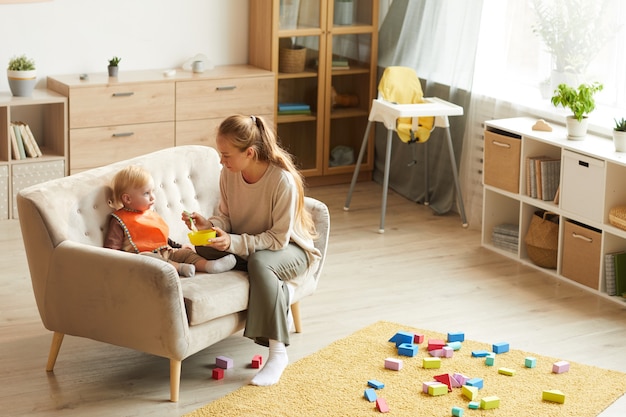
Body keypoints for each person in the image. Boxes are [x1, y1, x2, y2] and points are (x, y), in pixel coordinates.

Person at [182, 114, 321, 386]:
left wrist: (233, 243)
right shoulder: (229, 174)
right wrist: (209, 225)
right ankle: (280, 292)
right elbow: (227, 217)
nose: (221, 161)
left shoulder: (282, 181)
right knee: (203, 243)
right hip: (251, 245)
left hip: (290, 251)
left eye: (226, 155)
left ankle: (277, 353)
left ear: (249, 152)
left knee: (259, 263)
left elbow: (278, 239)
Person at [104, 165, 236, 277]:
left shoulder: (151, 214)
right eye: (146, 193)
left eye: (152, 191)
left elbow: (163, 238)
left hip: (166, 251)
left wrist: (179, 247)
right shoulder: (119, 220)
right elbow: (111, 250)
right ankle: (179, 268)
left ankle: (209, 266)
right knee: (149, 259)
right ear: (127, 199)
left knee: (187, 253)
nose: (152, 197)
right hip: (142, 257)